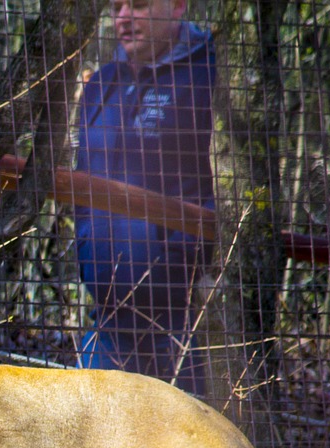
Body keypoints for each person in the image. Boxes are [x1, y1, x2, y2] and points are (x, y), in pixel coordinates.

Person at [74, 0, 216, 395]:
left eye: (137, 4)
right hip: (107, 316)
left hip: (180, 323)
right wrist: (88, 255)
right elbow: (82, 189)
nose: (123, 17)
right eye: (116, 6)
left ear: (177, 7)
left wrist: (178, 263)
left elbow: (224, 186)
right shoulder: (100, 86)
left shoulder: (208, 79)